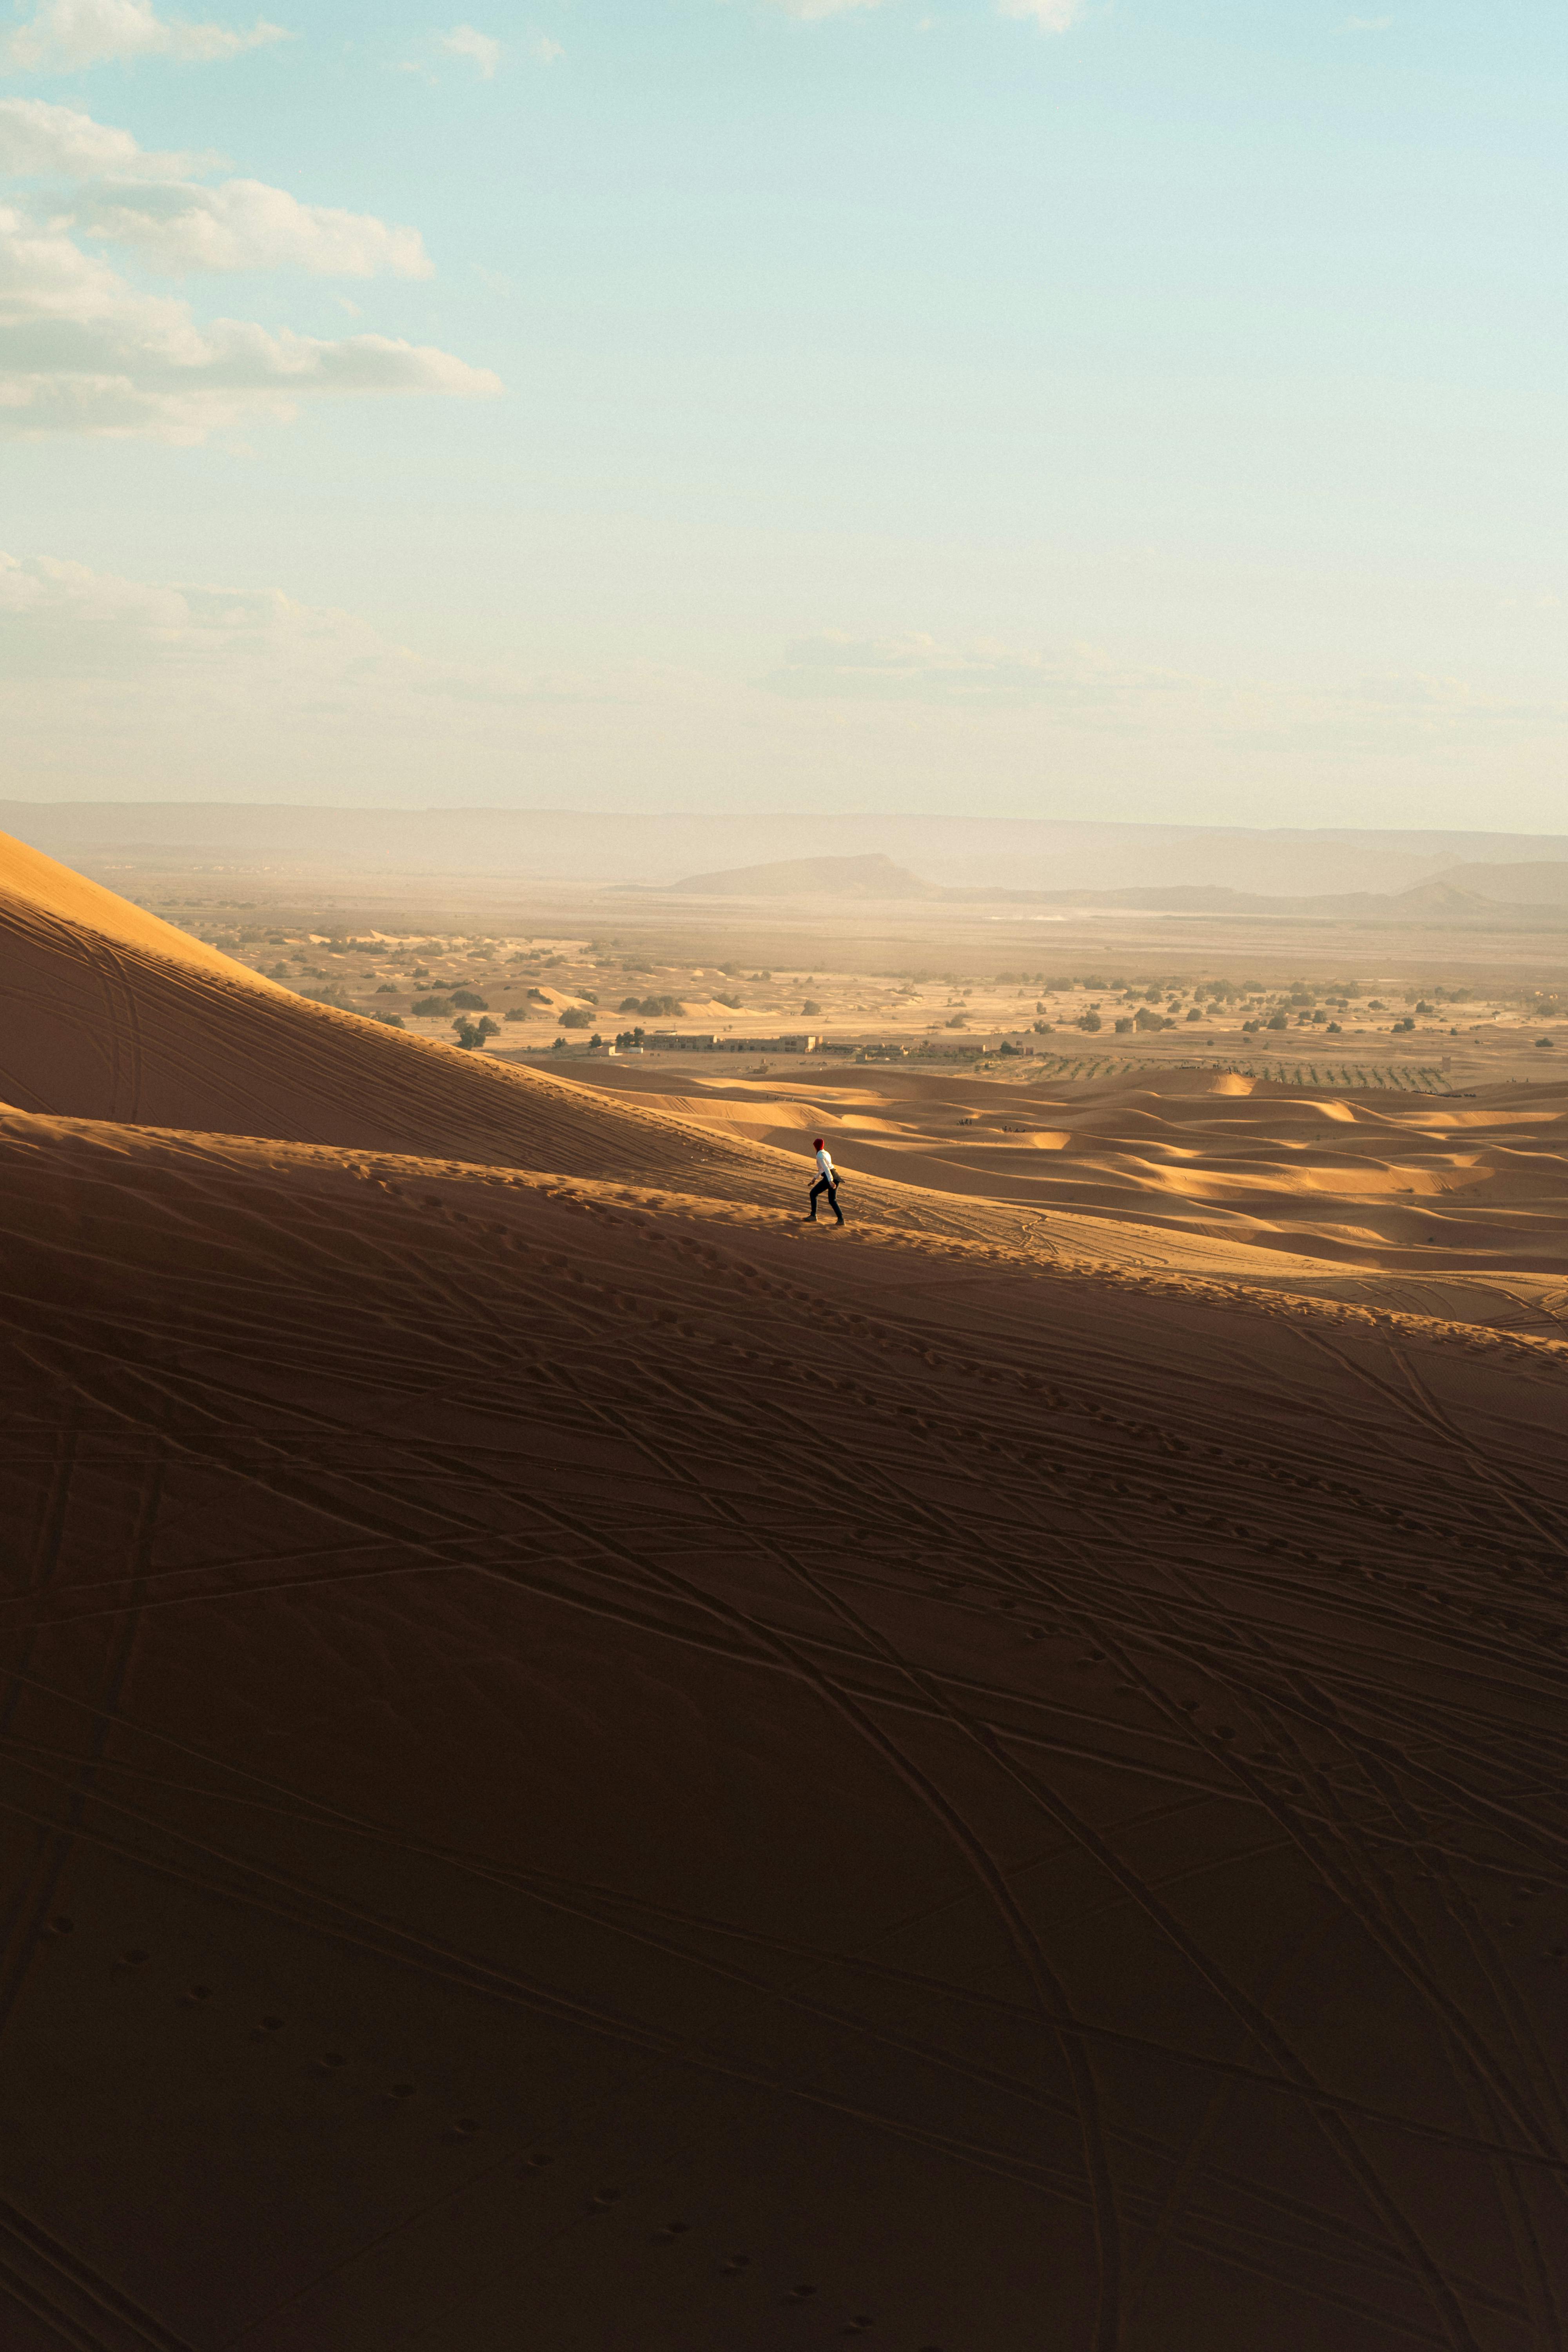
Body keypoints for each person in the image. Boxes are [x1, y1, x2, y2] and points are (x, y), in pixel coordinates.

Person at [805, 1136, 844, 1225]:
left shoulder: (819, 1155)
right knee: (832, 1200)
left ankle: (813, 1216)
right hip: (835, 1176)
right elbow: (824, 1169)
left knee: (813, 1194)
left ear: (816, 1146)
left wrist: (830, 1181)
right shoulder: (826, 1153)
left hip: (829, 1177)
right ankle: (841, 1220)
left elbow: (826, 1169)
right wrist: (815, 1178)